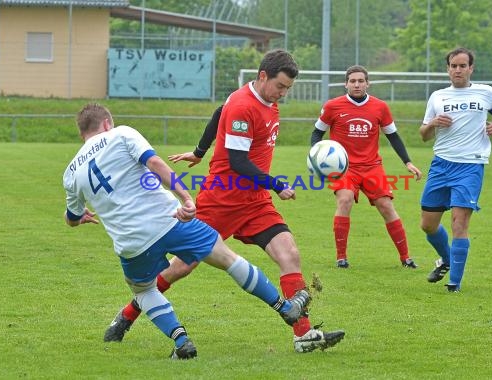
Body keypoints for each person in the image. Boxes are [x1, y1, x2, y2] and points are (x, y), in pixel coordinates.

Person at [103, 49, 345, 353]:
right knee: (179, 268)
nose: (283, 94)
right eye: (280, 86)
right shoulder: (245, 105)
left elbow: (219, 111)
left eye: (287, 88)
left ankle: (303, 336)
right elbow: (238, 161)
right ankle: (126, 316)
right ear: (262, 77)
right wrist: (277, 184)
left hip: (255, 202)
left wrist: (199, 151)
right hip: (222, 199)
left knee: (290, 254)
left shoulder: (262, 100)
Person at [63, 103, 311, 359]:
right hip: (169, 220)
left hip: (131, 242)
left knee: (144, 290)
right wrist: (185, 197)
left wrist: (79, 217)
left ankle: (181, 341)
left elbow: (72, 218)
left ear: (82, 133)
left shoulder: (71, 172)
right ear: (106, 124)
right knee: (226, 257)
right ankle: (284, 307)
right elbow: (156, 163)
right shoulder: (121, 133)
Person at [310, 65, 422, 269]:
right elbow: (317, 133)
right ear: (346, 84)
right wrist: (316, 155)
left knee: (386, 206)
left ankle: (406, 258)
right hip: (344, 168)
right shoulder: (333, 106)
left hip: (372, 167)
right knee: (345, 200)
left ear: (367, 83)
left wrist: (408, 162)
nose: (357, 84)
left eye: (361, 81)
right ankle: (341, 258)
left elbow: (393, 136)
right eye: (352, 81)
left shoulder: (380, 107)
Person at [419, 47, 492, 292]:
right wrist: (434, 123)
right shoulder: (437, 97)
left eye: (462, 66)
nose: (458, 70)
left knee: (460, 223)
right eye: (453, 66)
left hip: (470, 165)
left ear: (471, 68)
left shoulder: (486, 92)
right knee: (427, 224)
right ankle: (447, 259)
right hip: (441, 164)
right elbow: (424, 135)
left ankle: (454, 284)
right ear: (448, 69)